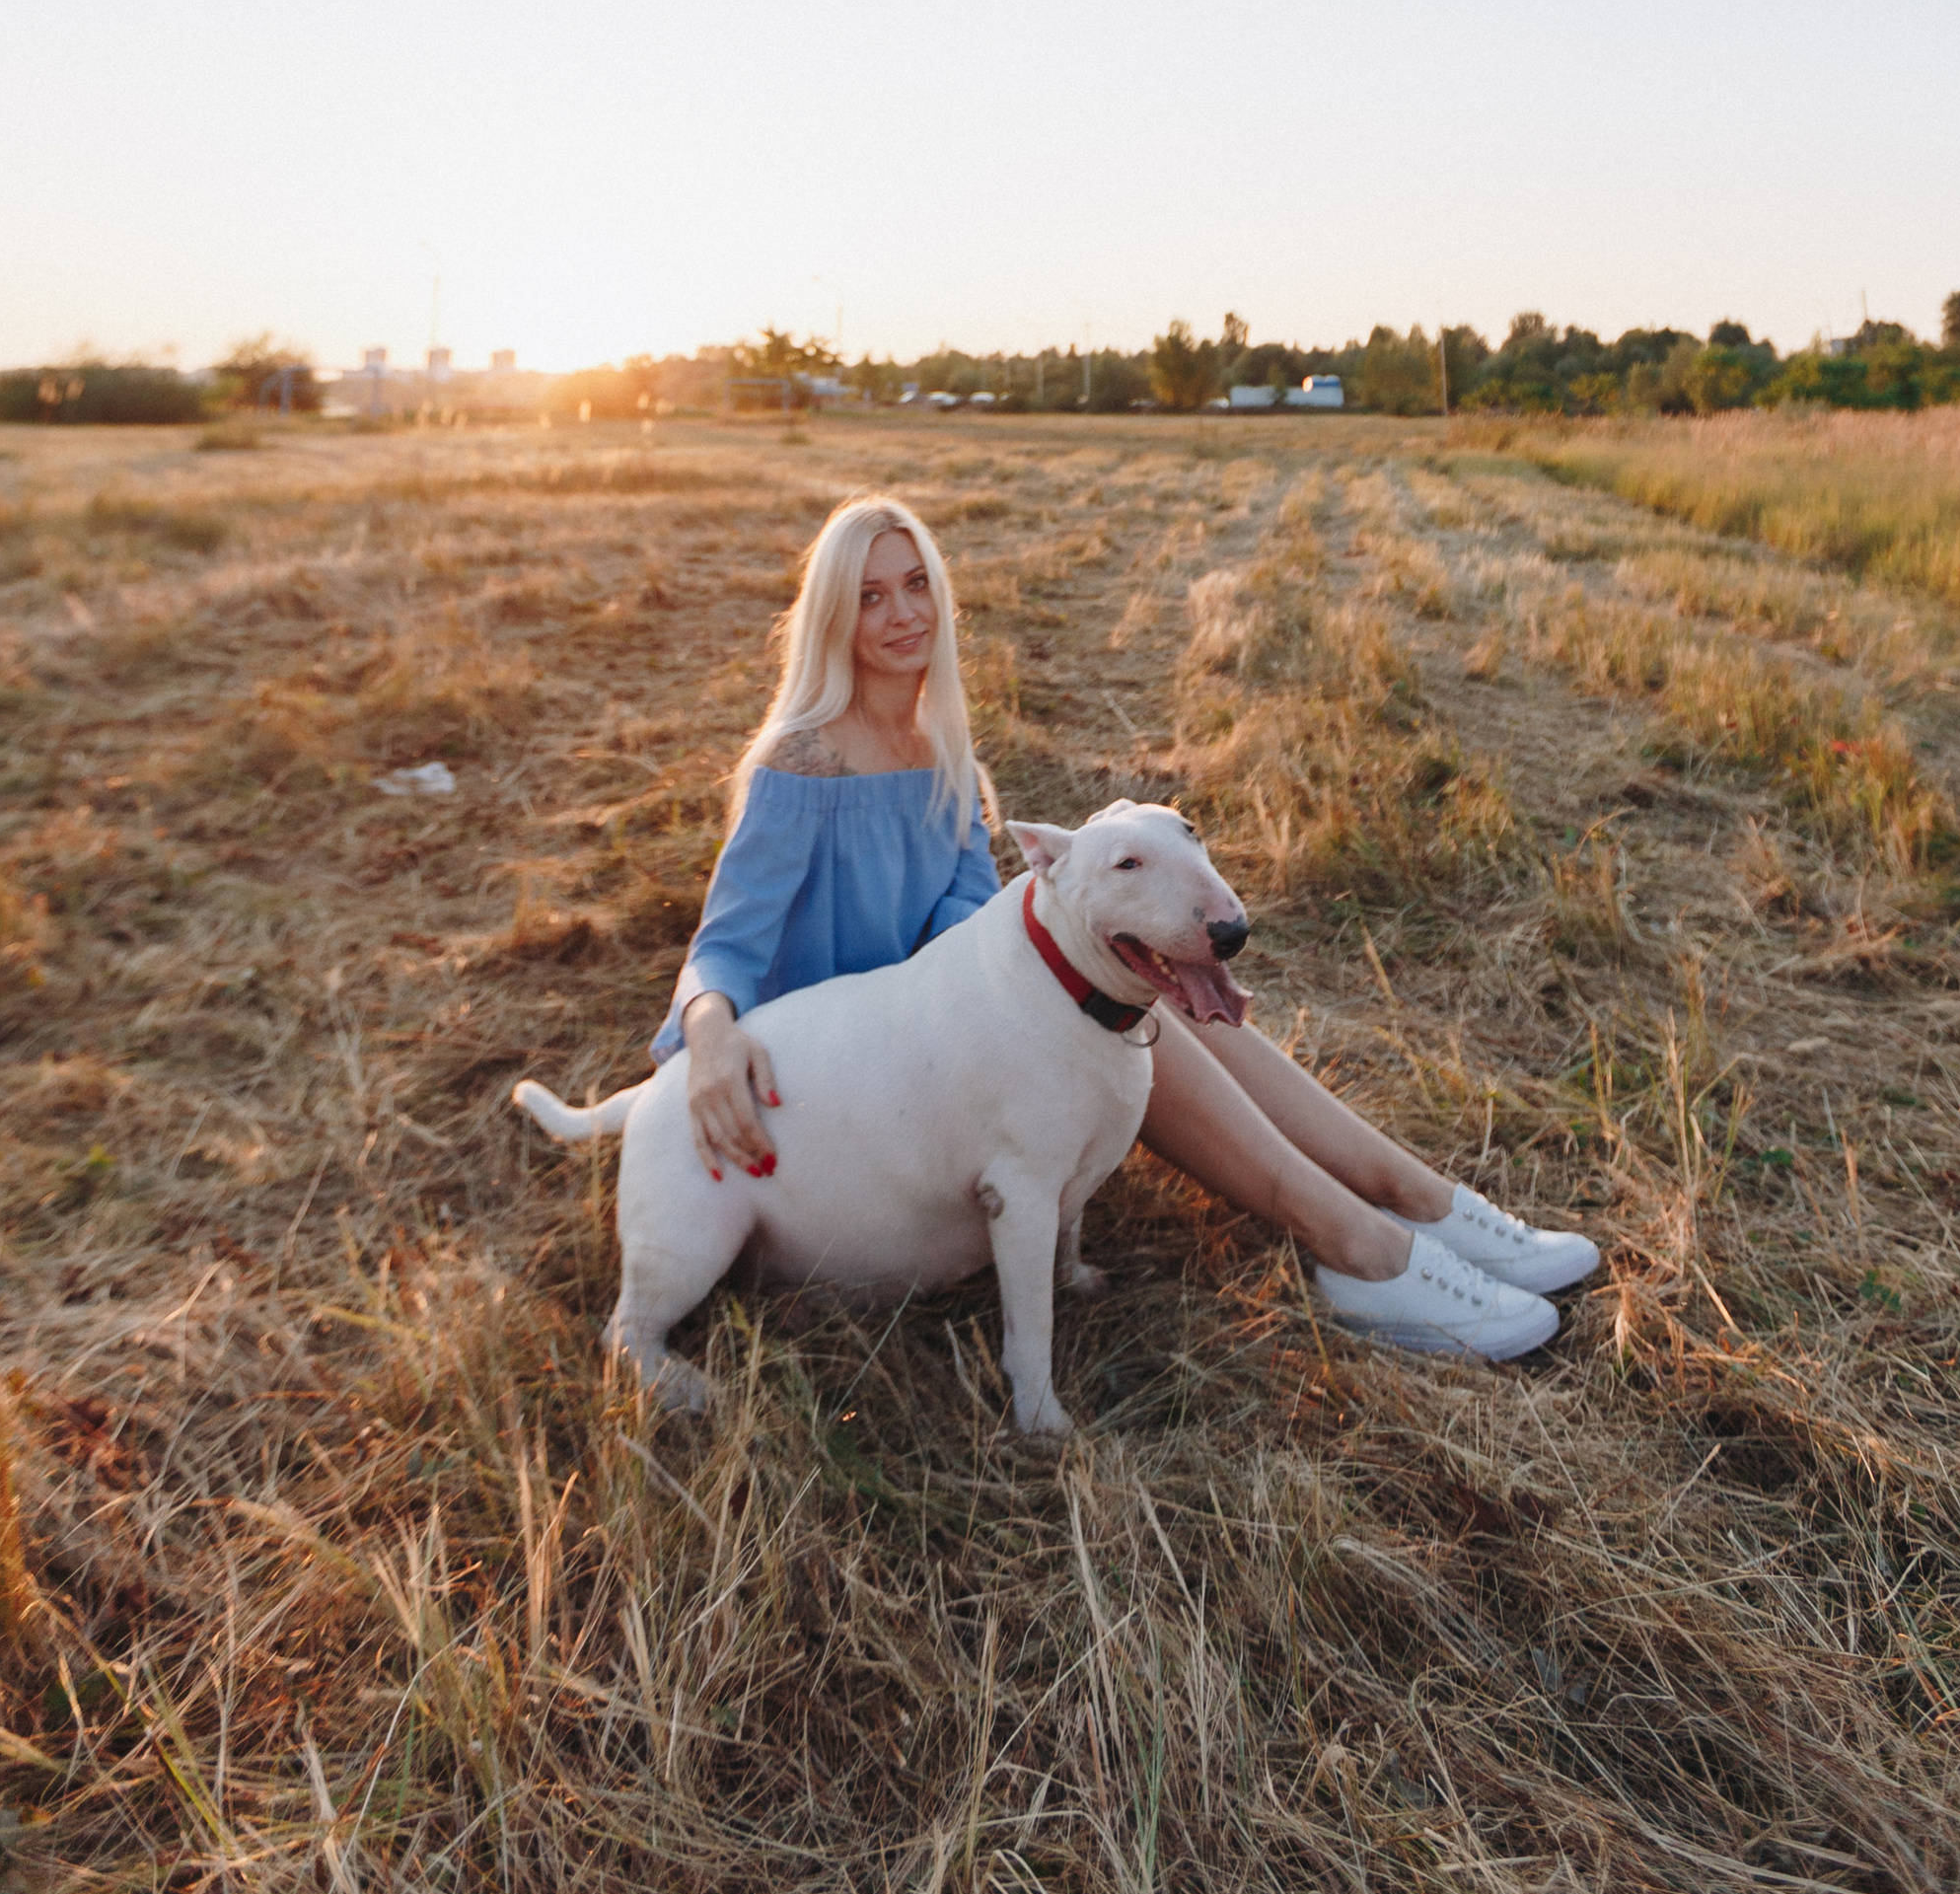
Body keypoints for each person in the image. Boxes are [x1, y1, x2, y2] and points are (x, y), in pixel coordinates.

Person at [655, 490, 1599, 1360]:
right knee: (1124, 1004)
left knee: (1143, 977)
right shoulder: (801, 762)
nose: (903, 614)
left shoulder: (943, 752)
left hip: (942, 1037)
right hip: (830, 1084)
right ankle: (1355, 1239)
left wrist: (1088, 935)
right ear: (832, 618)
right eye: (870, 598)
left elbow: (966, 923)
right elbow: (725, 944)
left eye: (916, 586)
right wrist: (706, 1043)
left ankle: (1409, 1193)